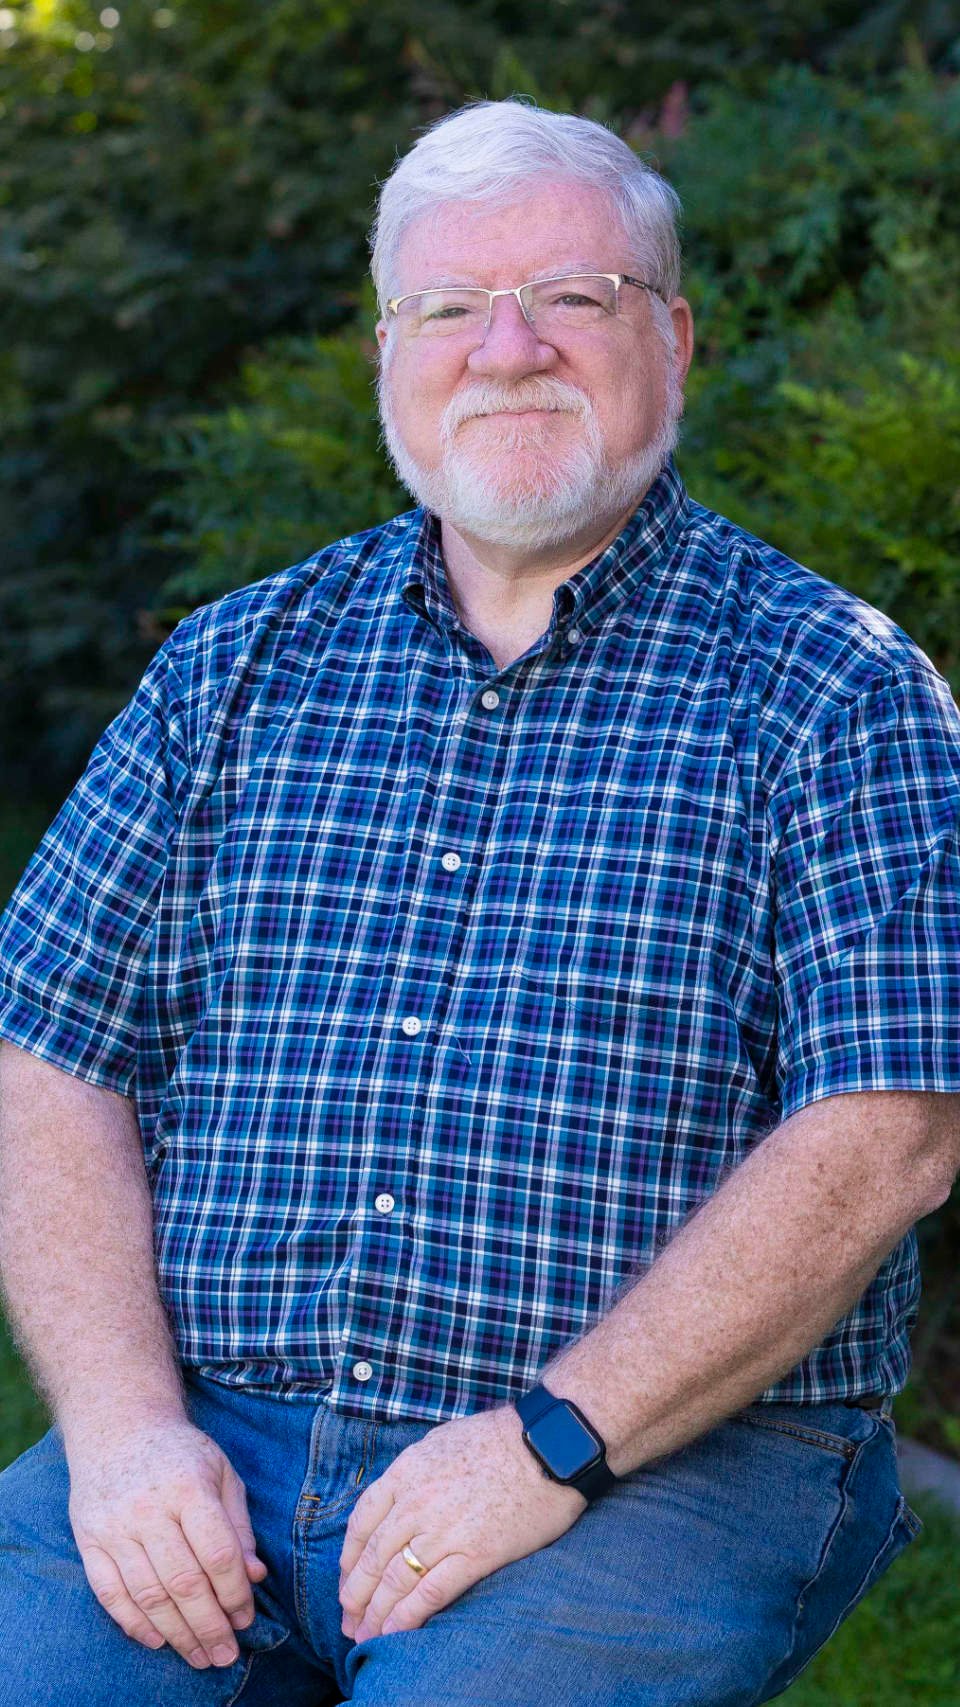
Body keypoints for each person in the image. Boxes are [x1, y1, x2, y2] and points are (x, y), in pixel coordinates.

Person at [0, 97, 958, 1707]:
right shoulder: (233, 671)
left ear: (676, 336)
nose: (507, 347)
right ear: (390, 352)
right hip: (211, 1435)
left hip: (660, 1464)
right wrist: (123, 1431)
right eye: (451, 307)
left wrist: (553, 1441)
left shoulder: (836, 693)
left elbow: (894, 1131)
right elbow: (47, 1053)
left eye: (572, 298)